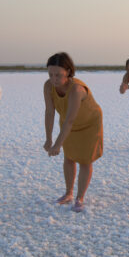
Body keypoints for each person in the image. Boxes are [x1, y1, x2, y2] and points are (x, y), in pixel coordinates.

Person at [44, 52, 103, 212]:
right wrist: (49, 139)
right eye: (51, 74)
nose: (54, 79)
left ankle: (80, 197)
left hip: (89, 124)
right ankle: (68, 193)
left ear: (69, 72)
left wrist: (57, 144)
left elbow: (71, 120)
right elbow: (50, 112)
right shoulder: (48, 86)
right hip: (68, 123)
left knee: (84, 160)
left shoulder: (76, 89)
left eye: (58, 75)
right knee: (69, 157)